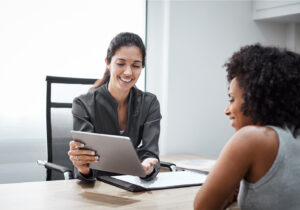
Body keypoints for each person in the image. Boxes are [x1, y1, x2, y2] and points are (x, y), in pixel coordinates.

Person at [194, 44, 300, 210]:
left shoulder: (251, 138)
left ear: (256, 98)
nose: (226, 110)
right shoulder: (293, 137)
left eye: (231, 99)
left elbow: (202, 207)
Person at [68, 32, 161, 182]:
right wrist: (83, 168)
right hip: (96, 187)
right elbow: (84, 159)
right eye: (121, 63)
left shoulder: (149, 103)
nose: (128, 72)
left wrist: (148, 168)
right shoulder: (83, 104)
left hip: (132, 186)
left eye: (136, 65)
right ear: (108, 62)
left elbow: (150, 152)